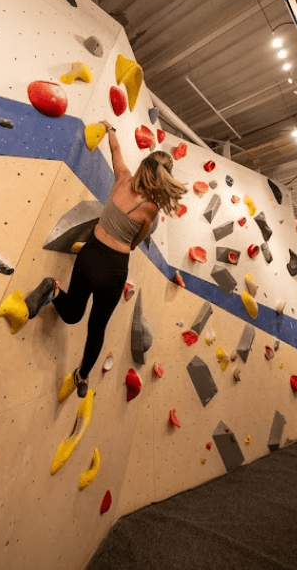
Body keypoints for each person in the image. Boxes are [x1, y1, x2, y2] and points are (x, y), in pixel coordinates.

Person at [25, 120, 187, 398]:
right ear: (162, 178)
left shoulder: (122, 178)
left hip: (91, 255)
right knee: (96, 328)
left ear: (145, 165)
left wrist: (110, 129)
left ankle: (53, 289)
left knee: (74, 313)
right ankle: (82, 375)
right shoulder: (150, 210)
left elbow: (116, 152)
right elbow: (135, 243)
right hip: (113, 270)